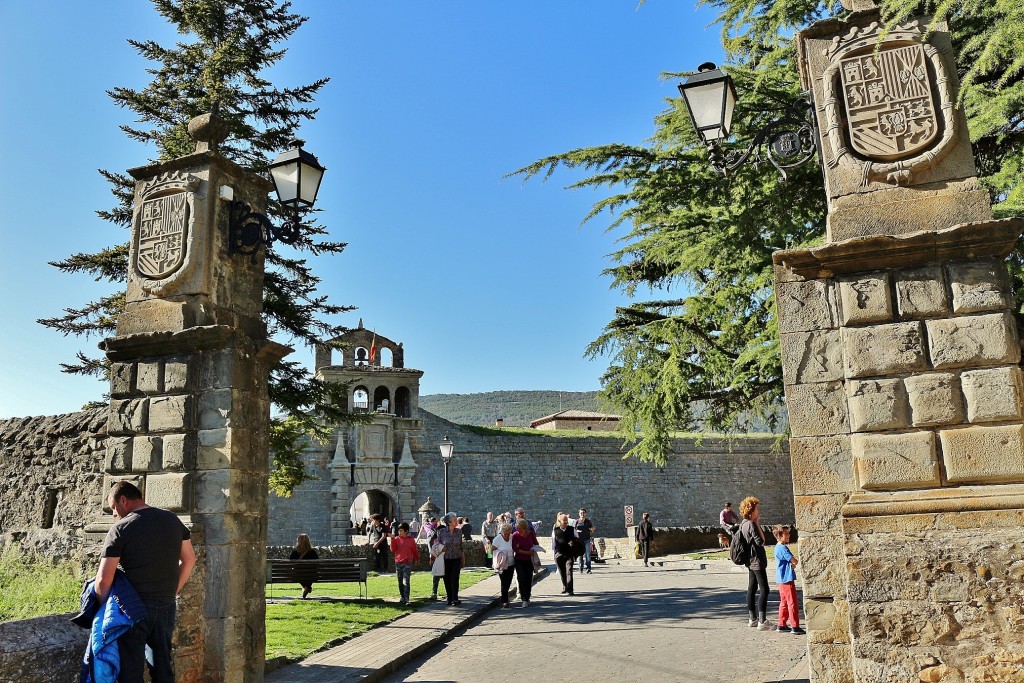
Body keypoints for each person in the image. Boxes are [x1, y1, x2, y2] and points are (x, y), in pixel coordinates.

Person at [94, 481, 195, 683]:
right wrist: (173, 591)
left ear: (123, 500)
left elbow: (103, 580)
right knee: (162, 665)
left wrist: (100, 608)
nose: (114, 514)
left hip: (133, 607)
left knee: (130, 669)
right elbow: (189, 559)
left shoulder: (121, 528)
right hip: (165, 605)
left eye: (114, 507)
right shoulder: (173, 520)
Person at [740, 496, 771, 630]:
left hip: (749, 560)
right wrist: (757, 523)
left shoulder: (743, 523)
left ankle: (752, 618)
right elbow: (761, 542)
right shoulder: (751, 524)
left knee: (751, 589)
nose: (758, 510)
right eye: (757, 508)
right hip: (757, 560)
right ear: (751, 510)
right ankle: (762, 621)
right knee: (765, 589)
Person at [773, 525, 805, 635]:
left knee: (784, 602)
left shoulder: (777, 547)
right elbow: (794, 561)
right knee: (792, 602)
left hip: (780, 579)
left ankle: (781, 624)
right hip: (787, 578)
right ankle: (795, 626)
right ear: (779, 535)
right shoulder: (783, 548)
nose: (788, 536)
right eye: (786, 534)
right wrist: (793, 563)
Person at [434, 512, 465, 606]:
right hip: (445, 559)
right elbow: (437, 544)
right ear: (449, 522)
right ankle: (449, 598)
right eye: (455, 520)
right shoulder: (442, 532)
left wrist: (463, 558)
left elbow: (461, 546)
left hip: (456, 558)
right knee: (446, 578)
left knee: (455, 578)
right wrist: (442, 548)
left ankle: (455, 598)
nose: (456, 521)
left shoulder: (459, 532)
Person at [390, 522, 420, 605]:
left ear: (406, 531)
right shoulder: (396, 539)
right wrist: (392, 540)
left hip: (407, 563)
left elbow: (414, 550)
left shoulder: (411, 540)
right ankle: (402, 597)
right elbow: (393, 550)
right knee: (400, 581)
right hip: (398, 563)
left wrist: (417, 558)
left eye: (401, 530)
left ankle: (407, 599)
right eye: (398, 530)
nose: (399, 532)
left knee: (406, 581)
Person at [512, 519, 538, 607]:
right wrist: (527, 552)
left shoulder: (531, 534)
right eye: (516, 528)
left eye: (518, 528)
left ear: (524, 527)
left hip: (529, 560)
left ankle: (527, 597)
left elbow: (536, 543)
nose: (517, 529)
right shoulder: (515, 535)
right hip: (519, 560)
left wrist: (535, 549)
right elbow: (516, 549)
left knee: (528, 579)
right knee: (521, 579)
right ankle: (524, 599)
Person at [491, 523, 516, 608]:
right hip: (502, 564)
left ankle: (505, 598)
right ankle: (504, 600)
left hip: (511, 563)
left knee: (508, 581)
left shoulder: (512, 537)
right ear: (502, 532)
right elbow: (492, 551)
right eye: (506, 533)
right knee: (504, 582)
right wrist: (499, 555)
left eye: (509, 533)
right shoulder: (497, 539)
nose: (507, 535)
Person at [552, 512, 576, 596]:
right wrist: (554, 554)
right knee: (562, 572)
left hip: (569, 553)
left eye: (566, 520)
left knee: (569, 570)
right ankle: (565, 586)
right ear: (559, 521)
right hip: (559, 554)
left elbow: (577, 540)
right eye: (564, 520)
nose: (566, 521)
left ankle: (570, 589)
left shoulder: (572, 529)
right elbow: (553, 544)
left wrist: (574, 544)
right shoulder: (555, 530)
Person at [289, 533, 319, 599]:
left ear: (298, 541)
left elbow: (291, 562)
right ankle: (307, 586)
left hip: (298, 575)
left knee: (297, 573)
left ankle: (306, 587)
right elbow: (317, 563)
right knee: (311, 573)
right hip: (312, 575)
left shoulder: (295, 552)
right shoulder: (312, 552)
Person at [574, 508, 595, 573]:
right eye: (581, 513)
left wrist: (592, 530)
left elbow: (591, 529)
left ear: (585, 514)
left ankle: (588, 568)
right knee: (580, 555)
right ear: (579, 514)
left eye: (583, 513)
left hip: (587, 540)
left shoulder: (588, 521)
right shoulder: (576, 521)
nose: (582, 514)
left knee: (588, 555)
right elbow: (574, 530)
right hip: (579, 540)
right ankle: (580, 568)